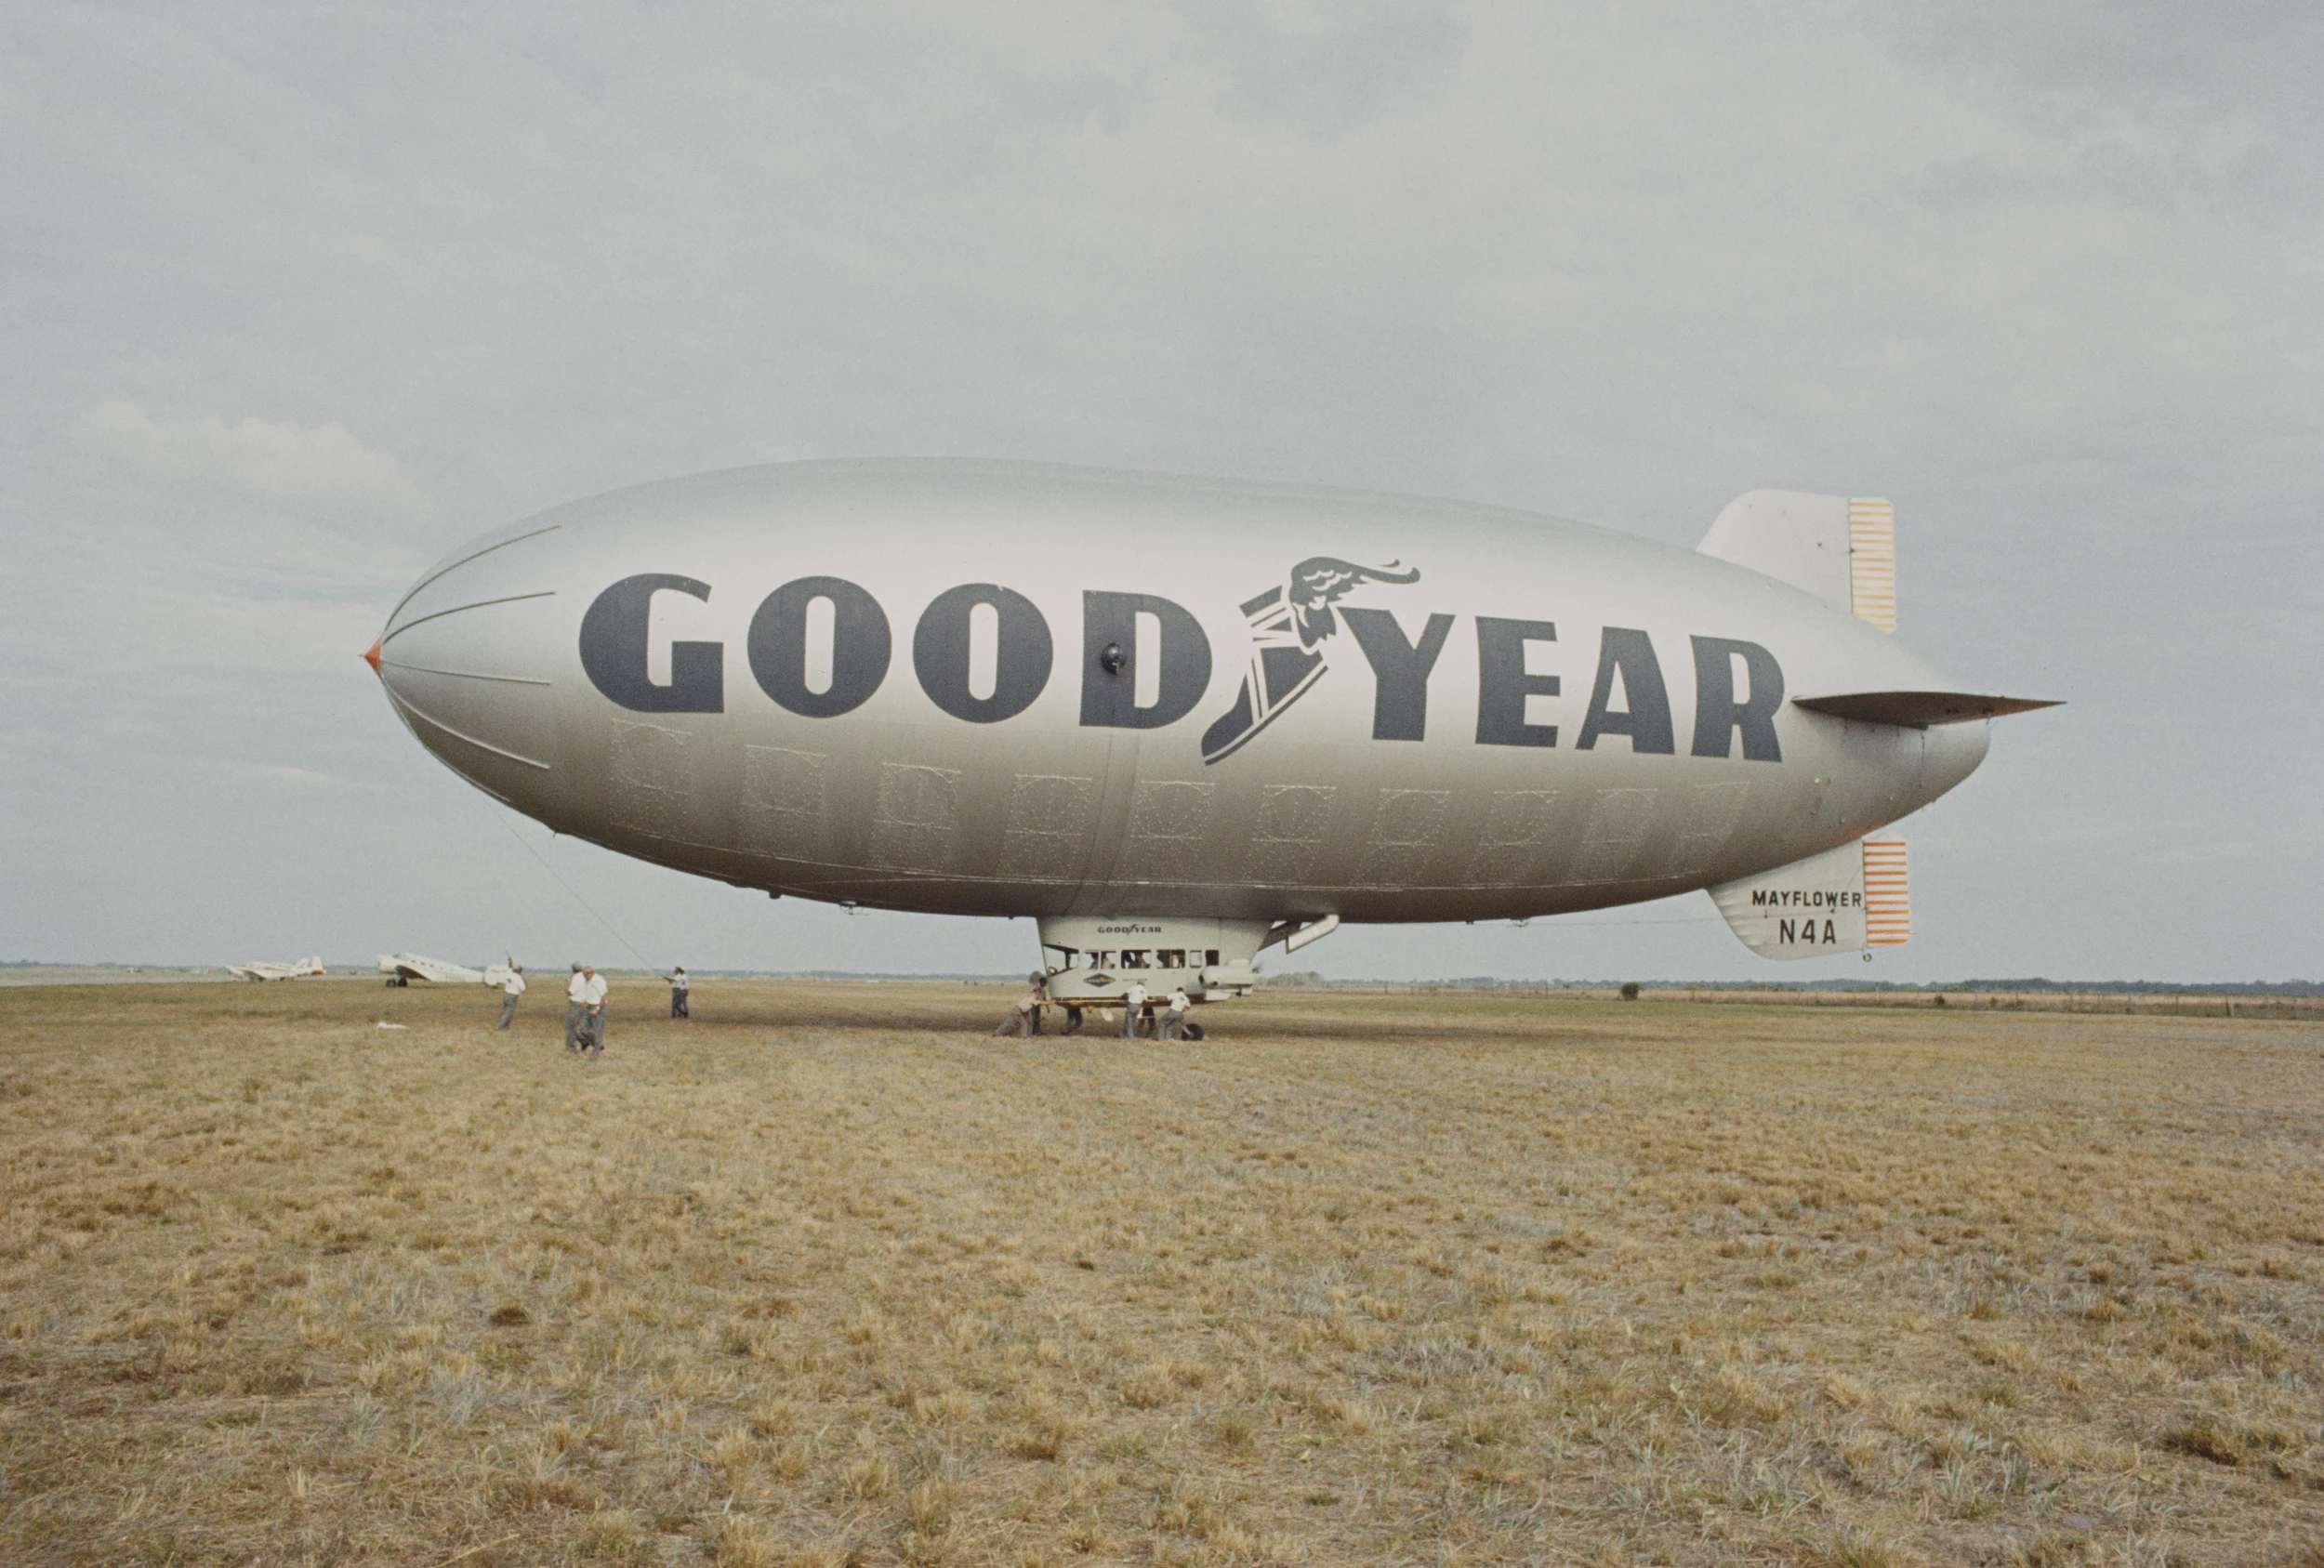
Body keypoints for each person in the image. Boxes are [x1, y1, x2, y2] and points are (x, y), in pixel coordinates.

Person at [580, 963, 608, 1057]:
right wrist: (584, 1002)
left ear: (590, 973)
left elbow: (604, 996)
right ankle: (598, 1044)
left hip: (598, 1008)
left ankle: (595, 1054)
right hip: (589, 1007)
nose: (584, 976)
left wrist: (597, 1008)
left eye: (585, 975)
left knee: (597, 1031)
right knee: (583, 1029)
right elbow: (591, 994)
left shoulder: (598, 980)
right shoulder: (588, 982)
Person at [563, 963, 588, 1054]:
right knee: (571, 1026)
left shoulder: (576, 978)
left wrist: (565, 991)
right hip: (582, 1004)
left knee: (569, 1027)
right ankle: (584, 1041)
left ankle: (571, 1049)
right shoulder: (583, 977)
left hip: (575, 1004)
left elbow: (571, 992)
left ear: (573, 969)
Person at [495, 962, 526, 1031]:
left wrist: (510, 962)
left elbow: (509, 968)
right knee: (509, 1013)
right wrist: (523, 981)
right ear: (518, 970)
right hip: (513, 996)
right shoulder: (518, 978)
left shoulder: (509, 974)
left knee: (507, 1011)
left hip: (506, 995)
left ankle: (506, 1027)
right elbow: (523, 988)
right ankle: (499, 1027)